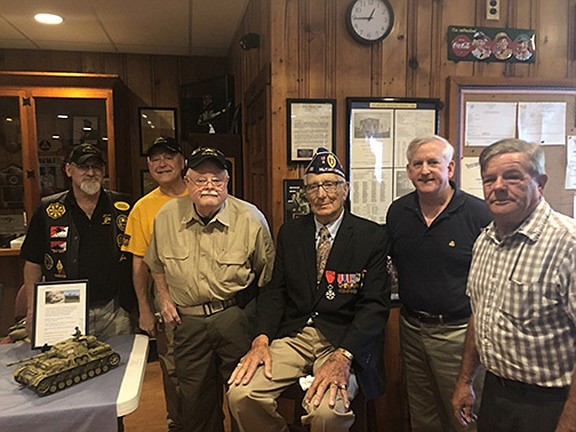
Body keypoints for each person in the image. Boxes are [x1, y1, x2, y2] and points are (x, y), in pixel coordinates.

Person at [228, 147, 391, 432]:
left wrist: (344, 355)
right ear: (305, 193)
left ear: (345, 189)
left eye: (329, 184)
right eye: (313, 186)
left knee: (327, 413)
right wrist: (261, 340)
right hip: (295, 335)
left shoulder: (371, 236)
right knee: (241, 394)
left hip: (342, 340)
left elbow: (374, 306)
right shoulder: (291, 232)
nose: (321, 193)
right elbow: (275, 291)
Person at [144, 146, 275, 432]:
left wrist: (260, 331)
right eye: (201, 179)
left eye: (217, 179)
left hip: (235, 317)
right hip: (187, 322)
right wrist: (164, 298)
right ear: (187, 182)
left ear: (228, 182)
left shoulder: (251, 218)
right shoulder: (166, 216)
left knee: (244, 395)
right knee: (195, 403)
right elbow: (155, 264)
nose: (209, 186)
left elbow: (269, 279)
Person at [452, 139, 576, 432]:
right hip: (495, 393)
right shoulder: (485, 241)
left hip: (551, 403)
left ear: (540, 182)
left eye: (512, 176)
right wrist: (465, 381)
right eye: (489, 179)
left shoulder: (567, 244)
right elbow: (479, 313)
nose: (498, 186)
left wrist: (570, 422)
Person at [386, 135, 492, 432]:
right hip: (412, 330)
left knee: (463, 416)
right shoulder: (399, 212)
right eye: (417, 164)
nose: (425, 170)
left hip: (459, 334)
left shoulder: (478, 214)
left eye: (434, 162)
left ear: (450, 168)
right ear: (408, 171)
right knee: (423, 415)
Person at [21, 143, 134, 339]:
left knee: (120, 365)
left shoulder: (122, 206)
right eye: (83, 167)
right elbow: (32, 263)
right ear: (69, 170)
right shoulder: (48, 210)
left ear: (104, 171)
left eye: (96, 167)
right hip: (64, 310)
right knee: (69, 366)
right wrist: (33, 311)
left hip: (115, 310)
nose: (91, 173)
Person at [122, 136, 187, 432]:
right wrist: (145, 308)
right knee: (173, 368)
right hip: (167, 299)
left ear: (182, 161)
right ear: (148, 165)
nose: (162, 164)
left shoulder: (201, 191)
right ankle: (177, 423)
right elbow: (139, 264)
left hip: (206, 297)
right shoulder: (142, 208)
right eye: (155, 159)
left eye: (168, 157)